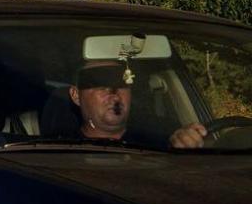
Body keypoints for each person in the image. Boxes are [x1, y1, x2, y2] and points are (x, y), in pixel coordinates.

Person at [64, 60, 206, 149]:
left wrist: (189, 141)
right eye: (99, 83)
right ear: (76, 95)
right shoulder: (60, 152)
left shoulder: (164, 140)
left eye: (120, 82)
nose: (113, 92)